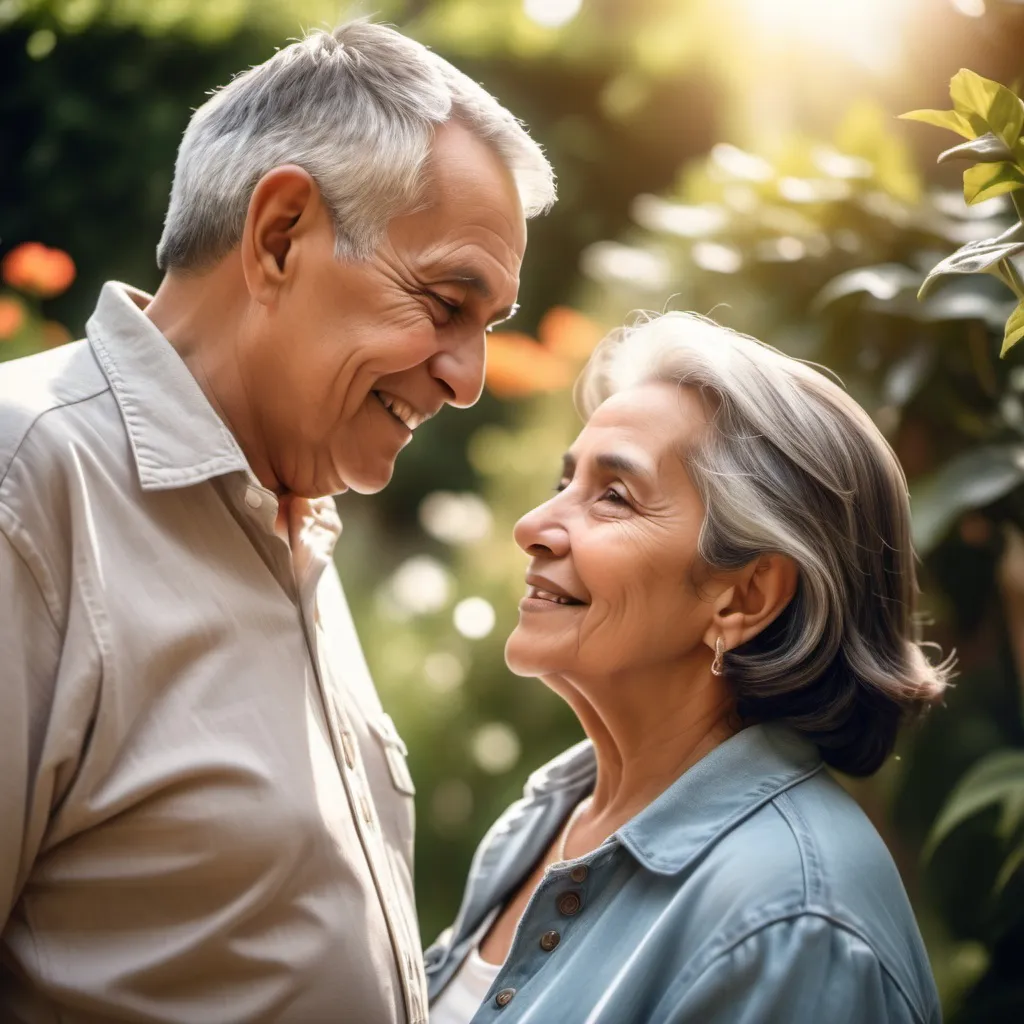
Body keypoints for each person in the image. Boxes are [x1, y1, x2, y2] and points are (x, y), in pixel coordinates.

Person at [0, 21, 554, 1024]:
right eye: (445, 301)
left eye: (489, 328)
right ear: (280, 235)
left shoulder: (293, 510)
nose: (468, 379)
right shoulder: (27, 480)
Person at [426, 312, 948, 1024]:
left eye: (614, 495)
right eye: (566, 480)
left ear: (745, 596)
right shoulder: (547, 819)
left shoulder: (791, 926)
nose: (534, 525)